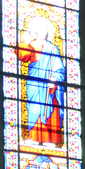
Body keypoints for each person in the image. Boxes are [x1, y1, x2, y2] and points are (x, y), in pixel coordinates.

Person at [15, 15, 66, 146]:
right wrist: (25, 43)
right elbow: (21, 55)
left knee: (50, 106)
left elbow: (60, 68)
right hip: (34, 80)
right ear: (36, 31)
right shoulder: (31, 44)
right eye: (40, 29)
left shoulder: (53, 48)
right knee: (35, 106)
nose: (42, 32)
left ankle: (50, 139)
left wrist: (54, 79)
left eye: (45, 30)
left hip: (48, 82)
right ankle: (34, 136)